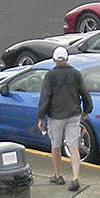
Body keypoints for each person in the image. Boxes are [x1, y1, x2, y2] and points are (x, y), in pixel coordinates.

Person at [37, 47, 92, 190]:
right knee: (73, 146)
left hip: (56, 116)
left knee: (56, 145)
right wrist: (87, 110)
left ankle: (58, 175)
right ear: (67, 58)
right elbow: (85, 93)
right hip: (74, 115)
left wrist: (41, 117)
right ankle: (75, 177)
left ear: (54, 59)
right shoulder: (75, 73)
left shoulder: (50, 75)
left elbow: (45, 97)